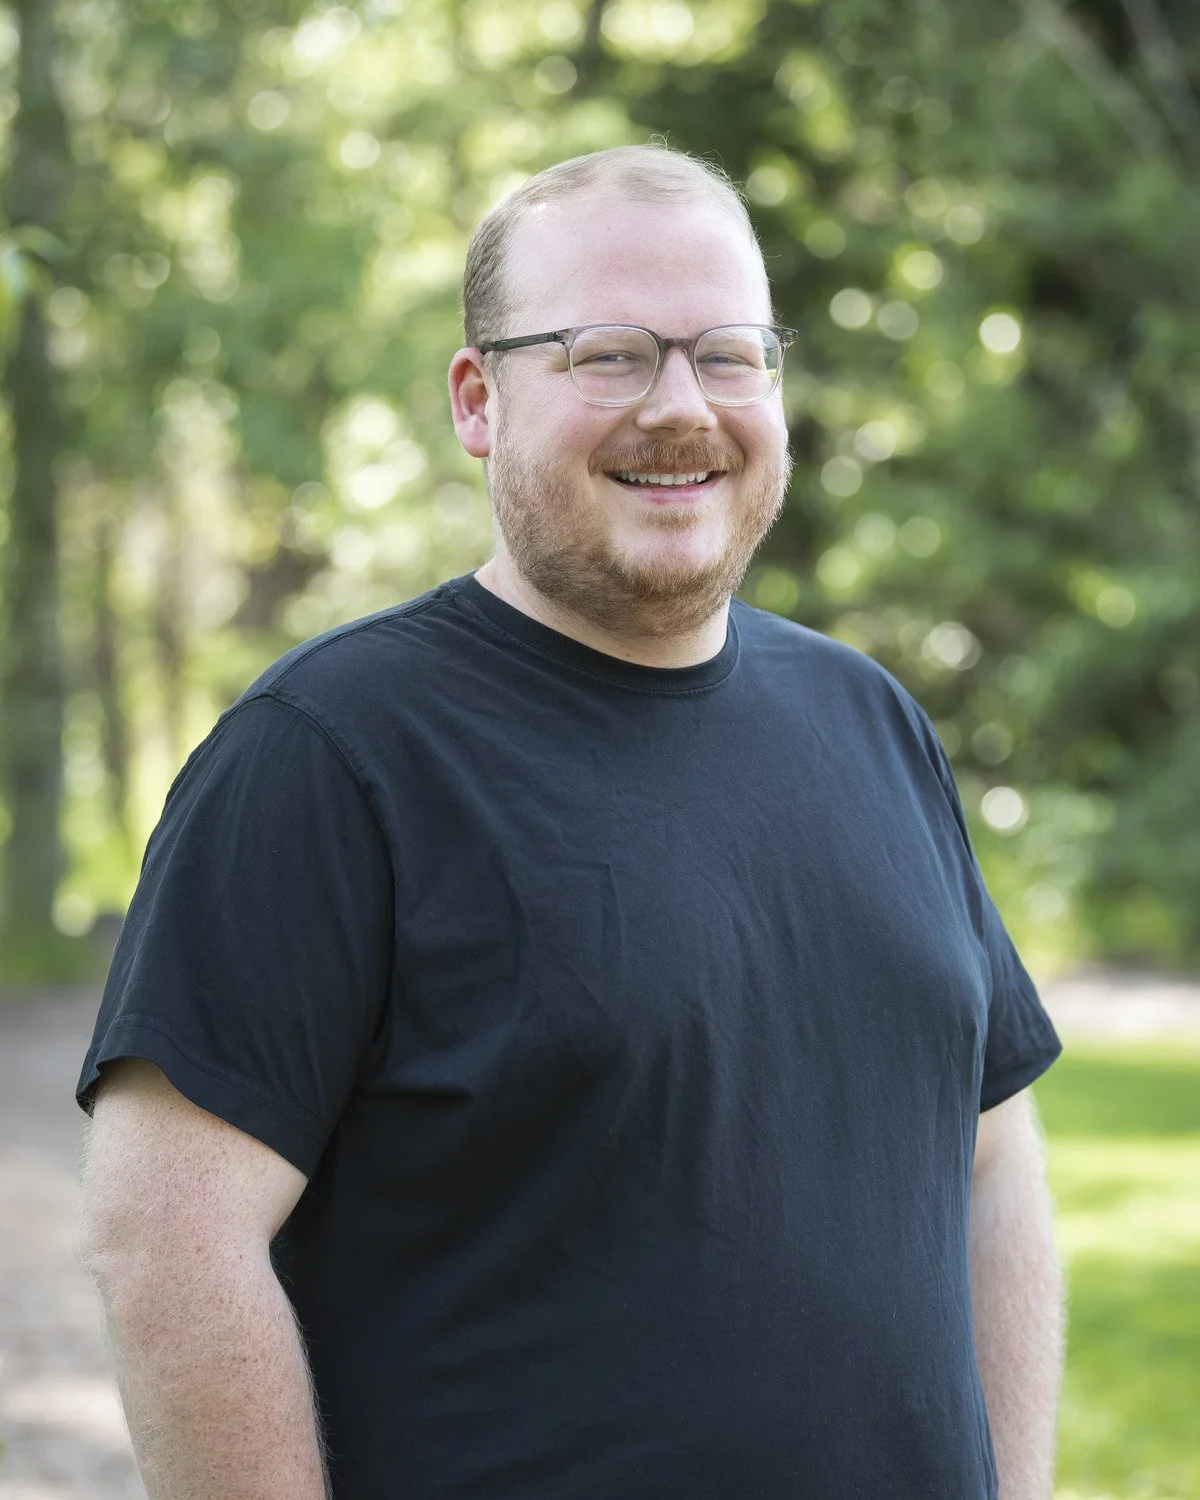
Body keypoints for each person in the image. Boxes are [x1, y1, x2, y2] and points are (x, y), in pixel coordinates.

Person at [77, 145, 1063, 1500]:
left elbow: (994, 1160)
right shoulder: (328, 756)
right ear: (479, 401)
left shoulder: (871, 721)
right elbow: (167, 1245)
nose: (681, 407)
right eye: (608, 354)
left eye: (728, 355)